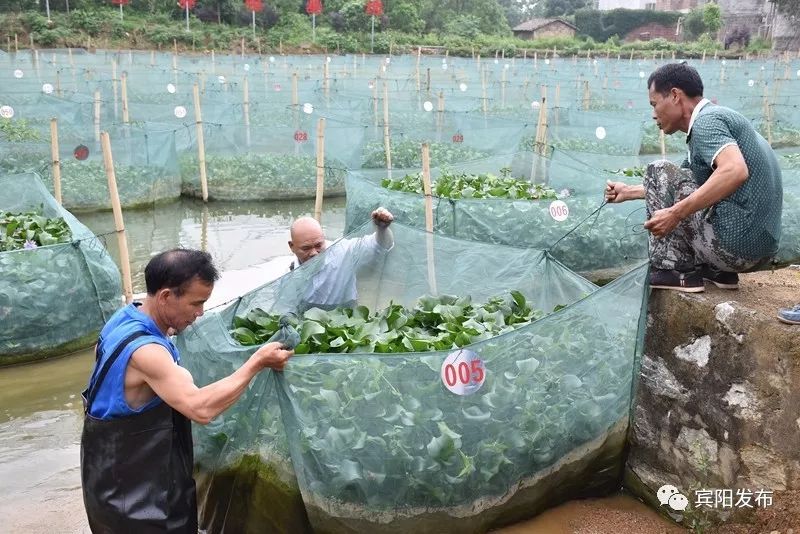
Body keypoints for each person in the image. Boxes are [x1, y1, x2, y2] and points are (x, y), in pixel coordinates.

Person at [80, 249, 293, 533]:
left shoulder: (125, 316)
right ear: (166, 296)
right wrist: (257, 362)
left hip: (104, 475)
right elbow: (200, 408)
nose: (201, 313)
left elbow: (100, 355)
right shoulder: (148, 353)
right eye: (197, 303)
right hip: (133, 498)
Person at [605, 62, 782, 292]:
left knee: (657, 168)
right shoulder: (720, 118)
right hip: (758, 252)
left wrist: (675, 213)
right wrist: (628, 191)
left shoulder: (706, 123)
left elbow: (735, 170)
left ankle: (676, 270)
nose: (653, 114)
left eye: (654, 104)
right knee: (672, 175)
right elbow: (676, 182)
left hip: (734, 246)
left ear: (675, 96)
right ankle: (719, 272)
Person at [287, 207, 394, 310]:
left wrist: (382, 229)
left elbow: (380, 246)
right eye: (306, 248)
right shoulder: (286, 272)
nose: (314, 253)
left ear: (323, 239)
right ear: (292, 246)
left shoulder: (342, 251)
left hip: (346, 318)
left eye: (318, 245)